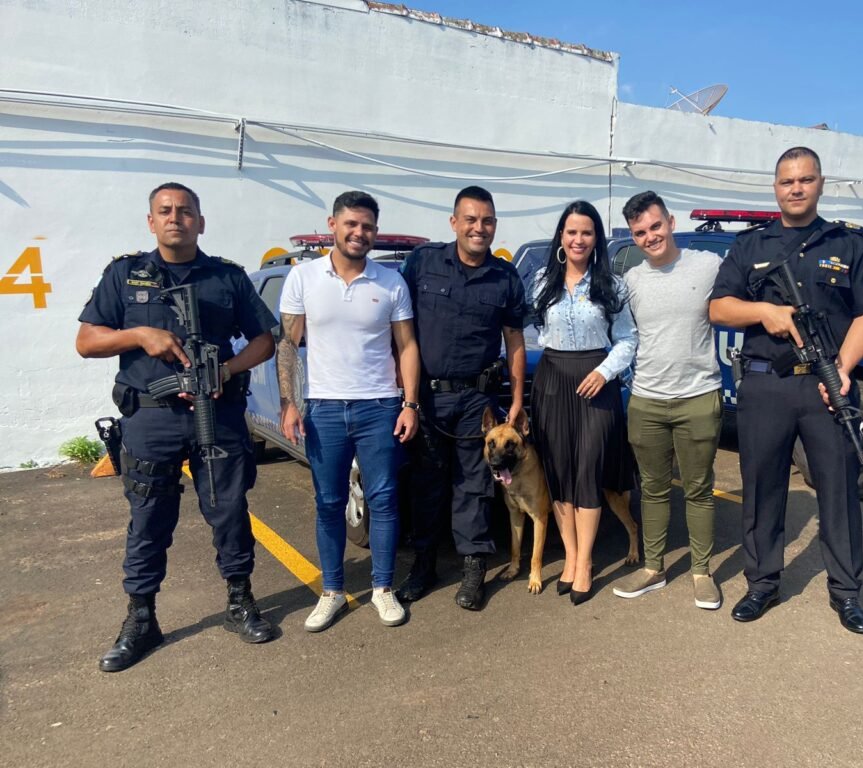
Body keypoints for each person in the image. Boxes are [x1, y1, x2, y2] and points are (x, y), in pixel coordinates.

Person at [76, 182, 277, 672]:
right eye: (165, 211)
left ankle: (239, 600)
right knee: (148, 519)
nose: (175, 219)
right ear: (151, 222)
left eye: (186, 212)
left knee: (229, 511)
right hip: (151, 418)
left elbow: (265, 340)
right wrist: (140, 335)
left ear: (200, 222)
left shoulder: (226, 277)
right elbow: (86, 341)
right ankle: (141, 619)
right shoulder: (125, 275)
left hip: (218, 414)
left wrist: (226, 371)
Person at [709, 147, 863, 634]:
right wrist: (763, 313)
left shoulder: (849, 244)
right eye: (788, 181)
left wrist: (844, 370)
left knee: (838, 490)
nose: (796, 188)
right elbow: (719, 308)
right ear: (776, 187)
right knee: (762, 489)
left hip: (827, 386)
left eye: (805, 179)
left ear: (820, 183)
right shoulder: (751, 246)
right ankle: (762, 583)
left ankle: (847, 592)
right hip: (766, 385)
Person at [277, 191, 420, 631]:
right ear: (333, 225)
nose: (360, 233)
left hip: (379, 405)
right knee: (329, 502)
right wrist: (289, 404)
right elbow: (288, 344)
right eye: (351, 224)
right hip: (323, 407)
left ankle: (382, 588)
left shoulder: (390, 282)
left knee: (383, 499)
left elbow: (407, 345)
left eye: (368, 226)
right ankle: (332, 591)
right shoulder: (302, 278)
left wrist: (409, 403)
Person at [395, 186, 527, 611]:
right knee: (427, 482)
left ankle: (474, 567)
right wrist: (404, 394)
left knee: (475, 485)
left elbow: (515, 340)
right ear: (454, 222)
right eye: (470, 219)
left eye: (487, 220)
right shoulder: (423, 263)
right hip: (427, 397)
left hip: (477, 399)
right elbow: (399, 327)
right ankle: (424, 564)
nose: (479, 227)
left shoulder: (505, 276)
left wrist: (519, 398)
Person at [612, 191, 725, 609]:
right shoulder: (631, 282)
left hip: (698, 396)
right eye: (640, 232)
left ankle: (701, 572)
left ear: (671, 222)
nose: (650, 236)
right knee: (654, 489)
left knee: (698, 489)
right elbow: (622, 336)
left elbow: (742, 302)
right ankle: (653, 567)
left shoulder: (708, 266)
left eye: (655, 226)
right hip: (647, 400)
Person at [530, 200, 637, 605]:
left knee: (588, 471)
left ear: (597, 239)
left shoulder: (613, 285)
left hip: (597, 382)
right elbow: (539, 329)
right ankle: (570, 558)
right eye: (572, 232)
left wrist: (604, 371)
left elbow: (628, 339)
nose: (578, 239)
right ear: (562, 236)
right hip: (553, 381)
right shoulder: (542, 280)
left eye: (587, 232)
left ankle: (587, 562)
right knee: (560, 471)